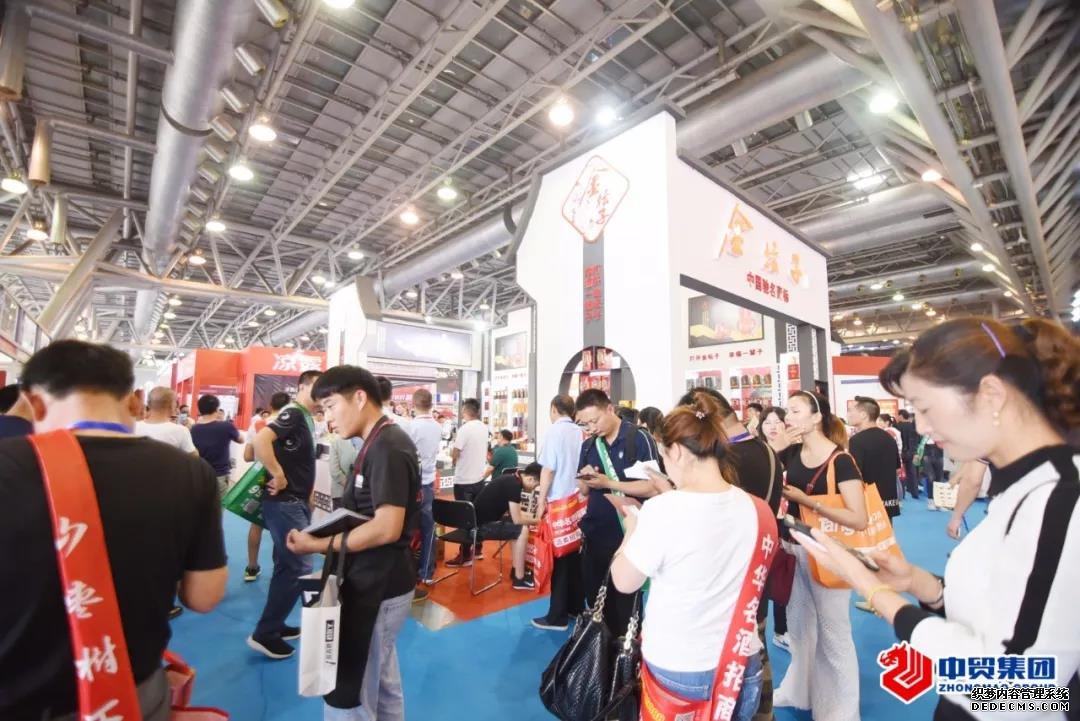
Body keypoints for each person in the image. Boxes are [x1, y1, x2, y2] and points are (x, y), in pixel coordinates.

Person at [794, 317, 1079, 721]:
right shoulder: (1027, 486)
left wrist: (876, 592)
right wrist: (919, 583)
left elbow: (1021, 694)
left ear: (991, 394)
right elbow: (1004, 609)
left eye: (925, 408)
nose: (922, 427)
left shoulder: (1059, 498)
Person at [0, 340, 226, 720]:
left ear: (34, 404)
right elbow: (204, 596)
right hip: (126, 690)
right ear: (133, 401)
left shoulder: (8, 463)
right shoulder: (189, 472)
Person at [611, 392, 775, 721]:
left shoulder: (662, 510)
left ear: (677, 451)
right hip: (742, 659)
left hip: (681, 665)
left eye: (664, 456)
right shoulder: (756, 508)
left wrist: (631, 530)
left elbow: (624, 581)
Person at [285, 365, 419, 721]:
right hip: (373, 579)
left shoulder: (388, 446)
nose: (327, 418)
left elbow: (386, 528)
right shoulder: (375, 443)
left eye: (330, 406)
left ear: (359, 397)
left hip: (379, 584)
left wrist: (316, 546)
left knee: (352, 690)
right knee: (381, 679)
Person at [673, 388, 784, 721]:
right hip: (757, 570)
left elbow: (712, 521)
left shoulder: (728, 459)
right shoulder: (765, 450)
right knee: (755, 652)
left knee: (731, 666)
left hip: (726, 580)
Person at [771, 390, 867, 721]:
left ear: (816, 417)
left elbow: (858, 517)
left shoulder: (841, 461)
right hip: (794, 547)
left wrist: (808, 501)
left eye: (795, 411)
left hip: (829, 553)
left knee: (834, 634)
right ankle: (800, 692)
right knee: (800, 628)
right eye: (787, 411)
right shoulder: (792, 453)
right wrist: (779, 446)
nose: (788, 417)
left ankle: (843, 711)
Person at [247, 369, 322, 660]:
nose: (323, 395)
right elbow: (261, 441)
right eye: (317, 388)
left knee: (286, 564)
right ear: (302, 386)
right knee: (299, 565)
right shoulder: (293, 413)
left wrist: (308, 492)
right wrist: (277, 474)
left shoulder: (306, 418)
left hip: (295, 501)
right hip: (285, 502)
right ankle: (264, 633)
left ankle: (274, 624)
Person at [574, 388, 660, 637]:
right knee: (596, 603)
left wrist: (609, 483)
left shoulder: (638, 439)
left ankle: (626, 655)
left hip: (628, 536)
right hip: (594, 534)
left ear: (610, 409)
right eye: (585, 424)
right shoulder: (589, 445)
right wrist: (586, 479)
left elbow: (653, 487)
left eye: (595, 420)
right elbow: (583, 491)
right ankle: (601, 654)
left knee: (626, 606)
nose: (591, 428)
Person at [532, 394, 586, 630]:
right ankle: (575, 607)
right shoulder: (580, 431)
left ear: (554, 409)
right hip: (578, 502)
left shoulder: (555, 431)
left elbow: (548, 470)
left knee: (559, 558)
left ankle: (557, 616)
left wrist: (541, 500)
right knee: (574, 555)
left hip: (558, 504)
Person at [466, 463, 543, 589]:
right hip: (480, 528)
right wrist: (538, 521)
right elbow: (518, 519)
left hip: (478, 522)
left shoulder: (512, 479)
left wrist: (532, 518)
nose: (534, 489)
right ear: (530, 479)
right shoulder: (514, 486)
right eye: (536, 485)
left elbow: (516, 515)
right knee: (522, 530)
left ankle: (516, 570)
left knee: (516, 527)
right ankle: (519, 579)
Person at [242, 391, 291, 583]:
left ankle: (251, 567)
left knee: (256, 525)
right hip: (285, 479)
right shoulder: (291, 424)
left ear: (270, 406)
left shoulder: (257, 424)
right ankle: (281, 571)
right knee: (284, 526)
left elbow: (247, 456)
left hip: (261, 479)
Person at [759, 407, 791, 653]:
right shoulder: (757, 454)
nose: (772, 426)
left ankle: (782, 630)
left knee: (783, 576)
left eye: (777, 421)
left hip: (788, 522)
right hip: (762, 523)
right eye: (767, 422)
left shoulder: (795, 452)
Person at [407, 388, 442, 591]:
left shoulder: (411, 427)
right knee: (429, 529)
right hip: (428, 482)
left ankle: (407, 571)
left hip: (412, 484)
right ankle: (427, 572)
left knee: (406, 528)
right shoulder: (437, 427)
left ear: (414, 404)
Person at [447, 397, 488, 566]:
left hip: (463, 480)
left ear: (465, 411)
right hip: (479, 479)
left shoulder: (464, 429)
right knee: (477, 516)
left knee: (464, 519)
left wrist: (453, 457)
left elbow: (455, 453)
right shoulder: (484, 428)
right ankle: (477, 549)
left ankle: (464, 555)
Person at [846, 396, 901, 520]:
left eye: (850, 410)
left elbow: (854, 475)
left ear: (863, 415)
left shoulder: (856, 441)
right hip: (888, 502)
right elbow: (897, 469)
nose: (848, 414)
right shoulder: (889, 438)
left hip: (866, 504)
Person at [190, 394, 245, 498]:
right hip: (219, 474)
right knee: (219, 505)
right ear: (216, 409)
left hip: (200, 474)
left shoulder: (194, 429)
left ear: (200, 409)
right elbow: (241, 440)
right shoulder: (226, 426)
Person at [327, 419, 359, 509]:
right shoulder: (336, 442)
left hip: (360, 496)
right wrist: (350, 486)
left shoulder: (364, 441)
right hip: (340, 494)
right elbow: (335, 472)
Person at [895, 409, 921, 499]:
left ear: (901, 416)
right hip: (911, 452)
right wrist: (914, 452)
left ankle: (902, 494)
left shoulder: (897, 426)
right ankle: (915, 493)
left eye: (897, 415)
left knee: (901, 473)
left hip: (900, 452)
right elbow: (917, 440)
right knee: (912, 473)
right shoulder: (913, 426)